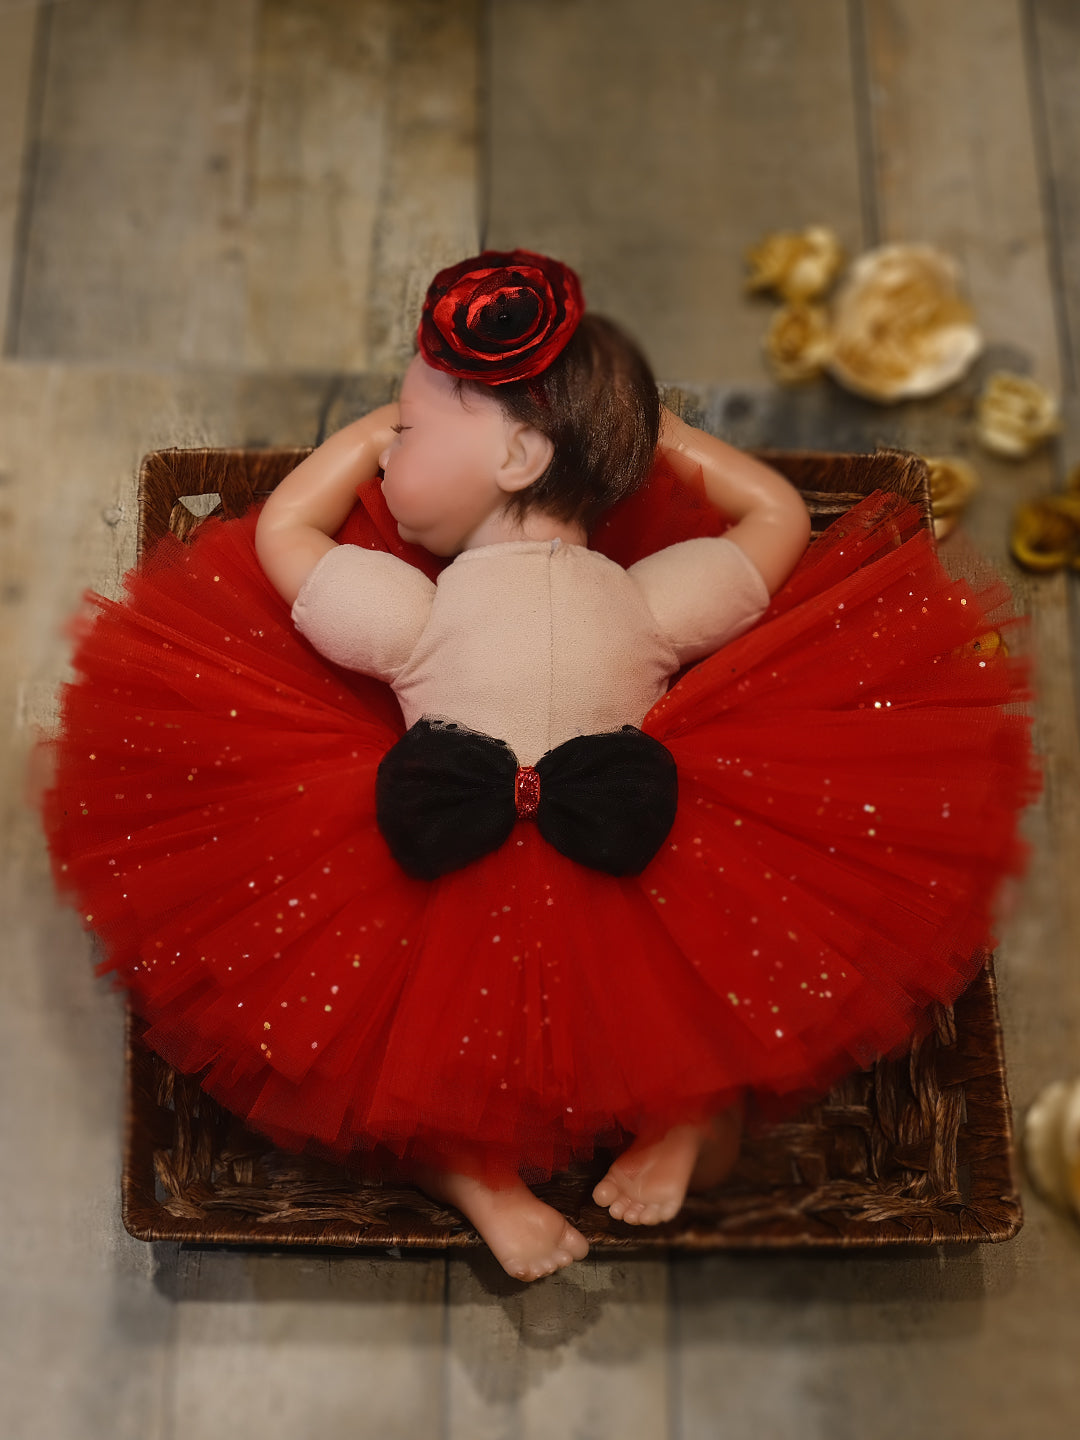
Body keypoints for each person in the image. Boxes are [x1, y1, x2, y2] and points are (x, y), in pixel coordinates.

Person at [42, 250, 1037, 1281]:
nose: (387, 460)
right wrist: (673, 446)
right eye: (389, 438)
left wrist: (348, 446)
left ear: (519, 457)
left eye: (409, 432)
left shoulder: (422, 611)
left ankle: (535, 1159)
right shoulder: (641, 600)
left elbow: (284, 535)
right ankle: (594, 1148)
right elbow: (776, 520)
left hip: (551, 850)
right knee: (667, 1013)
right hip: (568, 856)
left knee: (433, 1060)